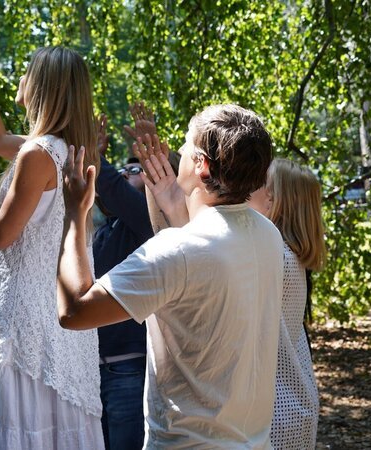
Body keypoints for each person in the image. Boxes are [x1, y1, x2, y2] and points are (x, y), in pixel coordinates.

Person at [56, 104, 284, 448]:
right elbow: (202, 271)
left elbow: (75, 311)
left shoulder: (178, 251)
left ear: (201, 164)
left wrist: (74, 213)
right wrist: (171, 201)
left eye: (185, 145)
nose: (175, 151)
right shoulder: (267, 235)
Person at [0, 29, 104, 448]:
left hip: (28, 327)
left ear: (44, 87)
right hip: (61, 316)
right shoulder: (66, 150)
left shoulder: (38, 154)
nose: (21, 78)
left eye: (27, 72)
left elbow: (1, 235)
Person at [91, 106, 178, 450]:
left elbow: (111, 186)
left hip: (129, 370)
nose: (127, 172)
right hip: (94, 368)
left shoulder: (148, 222)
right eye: (124, 167)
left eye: (135, 168)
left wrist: (95, 153)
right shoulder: (104, 231)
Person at [248, 159, 325, 449]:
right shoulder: (289, 255)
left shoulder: (274, 255)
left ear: (274, 200)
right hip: (292, 404)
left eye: (260, 183)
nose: (251, 187)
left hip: (274, 414)